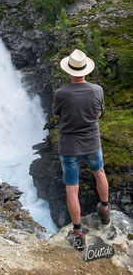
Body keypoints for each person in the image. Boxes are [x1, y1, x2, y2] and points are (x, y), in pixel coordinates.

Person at [52, 49, 111, 248]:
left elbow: (58, 115)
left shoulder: (61, 93)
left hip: (69, 146)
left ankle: (78, 231)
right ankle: (105, 209)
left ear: (70, 71)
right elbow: (99, 114)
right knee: (100, 172)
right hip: (92, 142)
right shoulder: (97, 90)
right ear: (85, 69)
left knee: (72, 188)